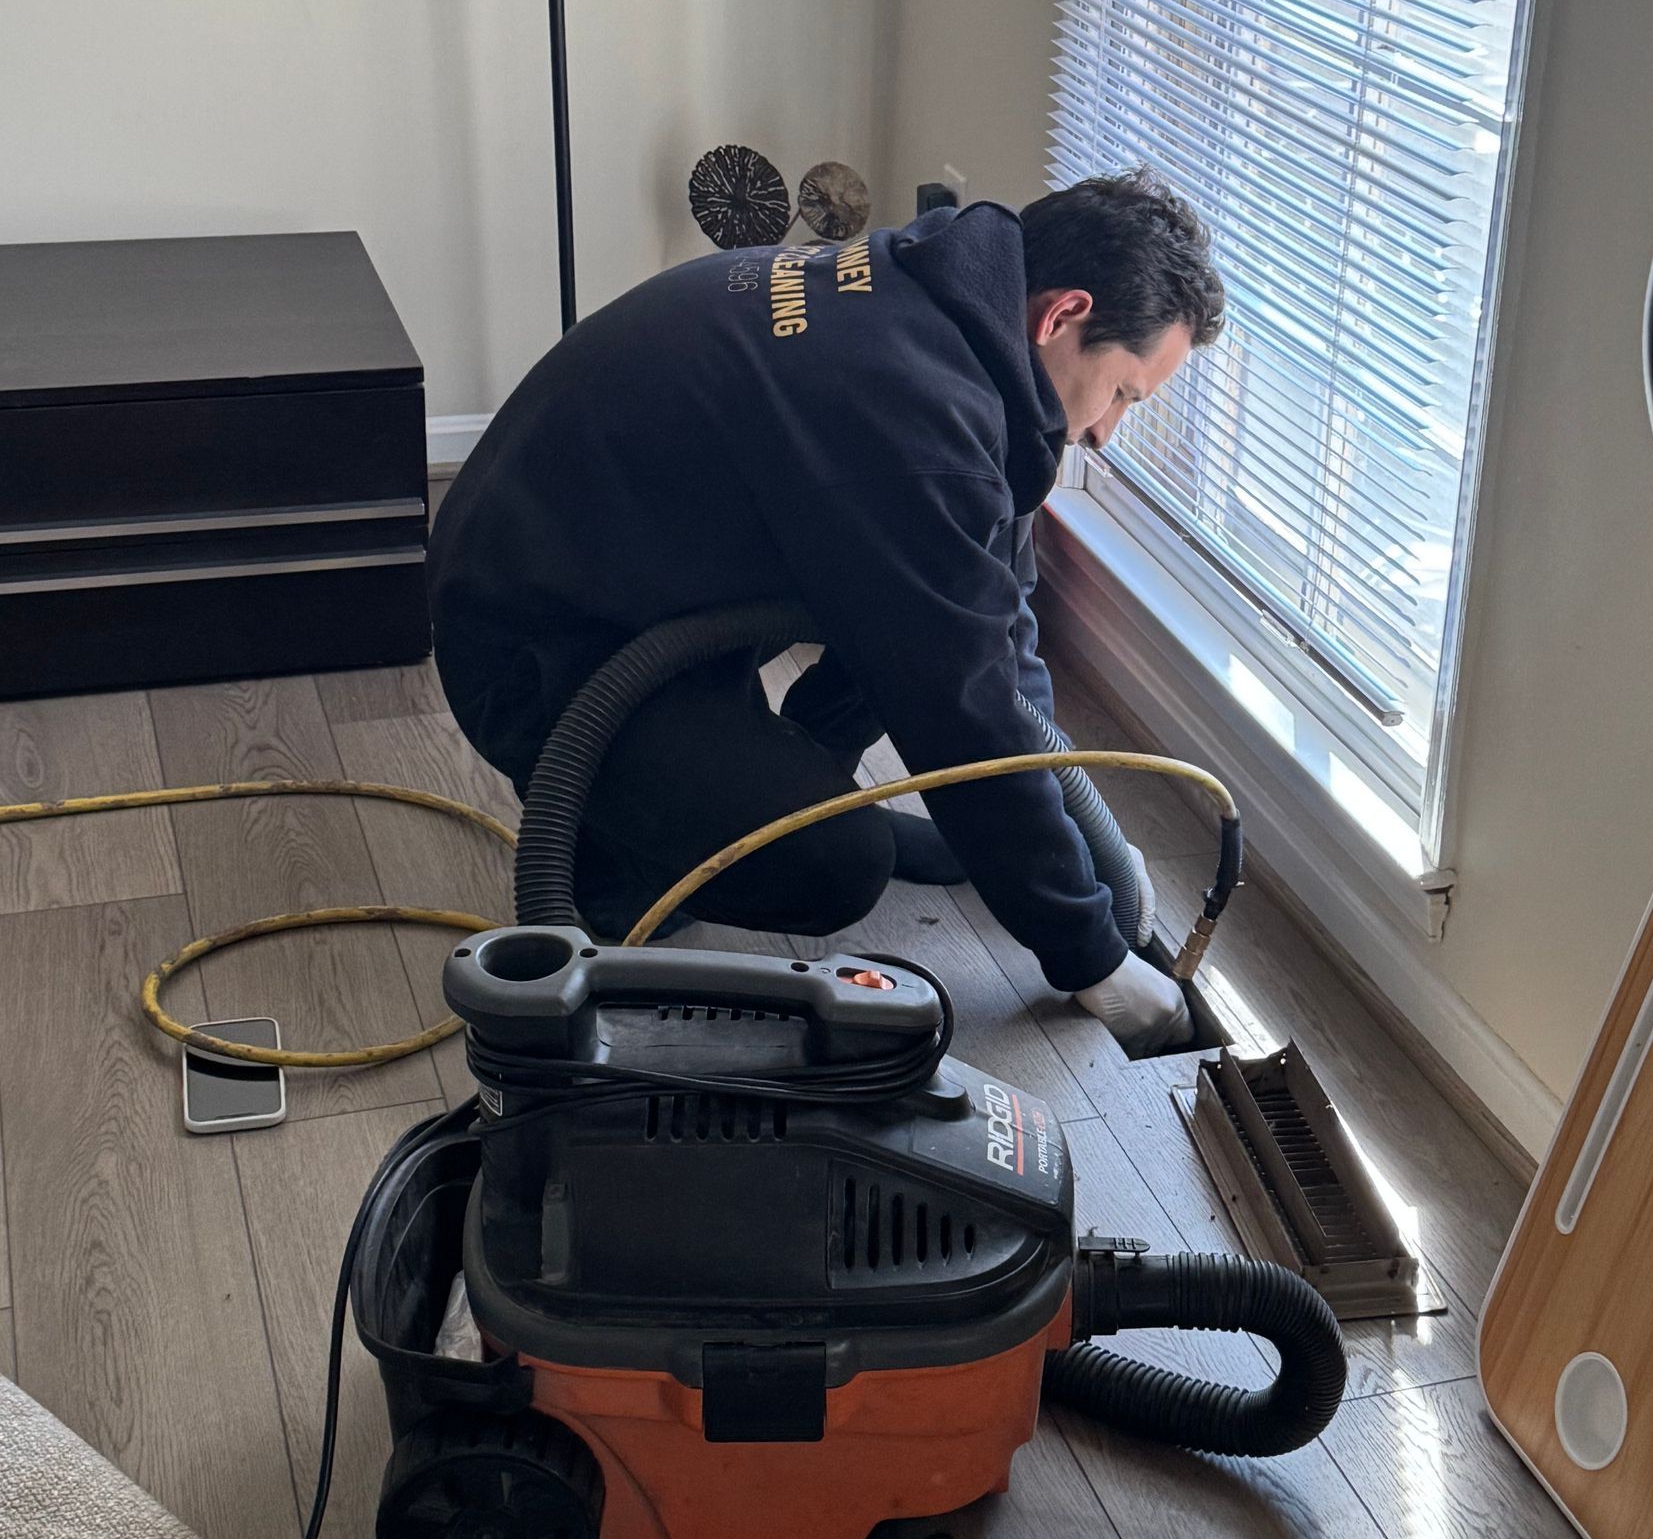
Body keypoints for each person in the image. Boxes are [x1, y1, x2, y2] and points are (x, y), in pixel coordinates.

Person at [428, 171, 1225, 1052]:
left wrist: (1092, 854)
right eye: (1122, 392)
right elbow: (963, 710)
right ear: (1061, 315)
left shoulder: (937, 305)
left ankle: (790, 789)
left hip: (632, 582)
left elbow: (994, 639)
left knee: (913, 617)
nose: (1107, 431)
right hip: (540, 647)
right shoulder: (918, 421)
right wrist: (1091, 958)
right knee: (836, 865)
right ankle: (617, 857)